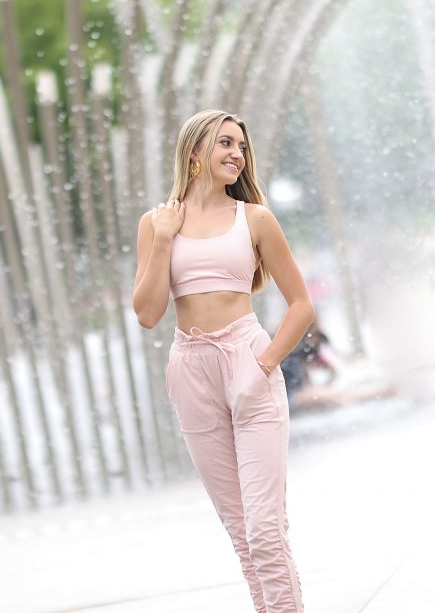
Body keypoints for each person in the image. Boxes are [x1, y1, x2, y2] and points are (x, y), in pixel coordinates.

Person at [132, 109, 312, 613]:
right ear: (195, 151)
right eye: (226, 143)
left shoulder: (255, 219)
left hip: (248, 361)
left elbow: (302, 306)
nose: (238, 154)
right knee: (241, 534)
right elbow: (147, 313)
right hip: (191, 372)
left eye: (242, 147)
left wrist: (262, 366)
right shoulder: (156, 223)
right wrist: (163, 239)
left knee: (264, 531)